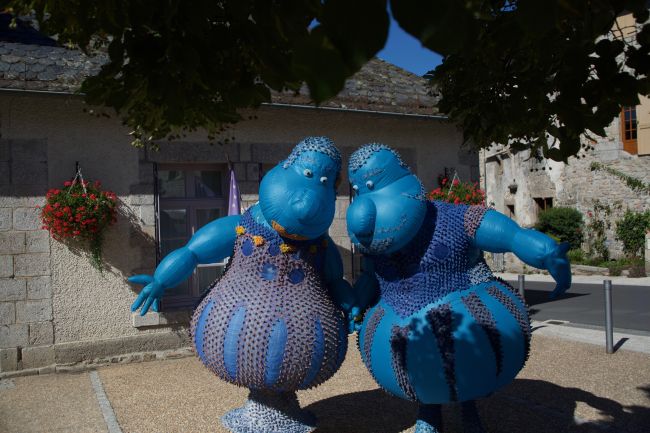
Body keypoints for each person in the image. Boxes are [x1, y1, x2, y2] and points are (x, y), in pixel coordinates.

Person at [129, 137, 356, 433]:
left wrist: (350, 305)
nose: (310, 199)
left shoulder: (321, 246)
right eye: (309, 174)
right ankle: (264, 410)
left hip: (307, 330)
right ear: (285, 168)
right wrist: (161, 280)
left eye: (325, 182)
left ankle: (280, 409)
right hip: (233, 319)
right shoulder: (244, 228)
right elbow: (193, 251)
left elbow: (335, 280)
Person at [346, 143, 571, 433]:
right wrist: (356, 303)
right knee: (424, 376)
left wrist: (547, 253)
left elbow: (512, 236)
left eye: (371, 185)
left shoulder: (457, 218)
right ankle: (429, 412)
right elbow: (370, 277)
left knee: (465, 363)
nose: (362, 207)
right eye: (357, 190)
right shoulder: (376, 248)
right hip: (397, 321)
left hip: (466, 307)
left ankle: (468, 407)